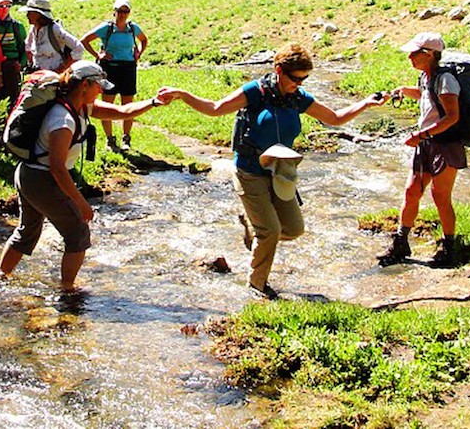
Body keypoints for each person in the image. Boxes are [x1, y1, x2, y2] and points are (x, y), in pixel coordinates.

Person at [157, 43, 386, 299]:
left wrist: (366, 103)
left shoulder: (298, 98)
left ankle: (252, 226)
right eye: (295, 78)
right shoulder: (256, 92)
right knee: (271, 232)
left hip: (281, 172)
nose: (299, 84)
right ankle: (257, 286)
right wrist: (183, 94)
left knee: (293, 229)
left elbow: (334, 118)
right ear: (279, 70)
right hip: (249, 171)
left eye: (305, 79)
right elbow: (215, 108)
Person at [0, 61, 171, 291]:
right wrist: (81, 204)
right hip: (41, 179)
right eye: (98, 86)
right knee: (78, 233)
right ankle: (67, 290)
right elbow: (57, 168)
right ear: (85, 85)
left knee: (27, 230)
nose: (101, 90)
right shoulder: (63, 120)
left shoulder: (79, 107)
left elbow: (122, 112)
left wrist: (153, 102)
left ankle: (0, 277)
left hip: (28, 173)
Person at [376, 32, 464, 268]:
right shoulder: (427, 78)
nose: (410, 57)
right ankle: (400, 242)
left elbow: (452, 116)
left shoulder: (445, 80)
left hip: (445, 144)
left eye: (414, 53)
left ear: (429, 55)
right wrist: (404, 90)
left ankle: (449, 246)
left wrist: (421, 134)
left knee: (440, 196)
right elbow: (426, 96)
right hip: (426, 144)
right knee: (411, 191)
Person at [81, 0, 149, 150]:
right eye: (120, 11)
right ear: (114, 12)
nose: (123, 14)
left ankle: (126, 138)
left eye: (126, 11)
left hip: (128, 68)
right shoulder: (106, 28)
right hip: (110, 69)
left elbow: (144, 40)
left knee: (128, 104)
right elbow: (84, 40)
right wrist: (98, 55)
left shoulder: (133, 28)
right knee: (107, 105)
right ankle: (110, 139)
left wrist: (139, 53)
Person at [20, 0, 83, 73]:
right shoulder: (33, 29)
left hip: (56, 75)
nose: (27, 16)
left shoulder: (54, 29)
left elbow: (78, 47)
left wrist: (62, 69)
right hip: (39, 74)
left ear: (39, 15)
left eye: (30, 13)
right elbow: (28, 47)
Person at [0, 0, 28, 103]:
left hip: (12, 66)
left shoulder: (17, 26)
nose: (4, 9)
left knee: (13, 99)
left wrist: (20, 64)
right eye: (1, 6)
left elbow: (25, 48)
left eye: (8, 6)